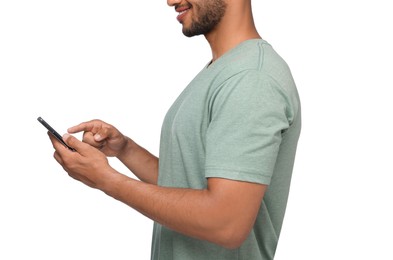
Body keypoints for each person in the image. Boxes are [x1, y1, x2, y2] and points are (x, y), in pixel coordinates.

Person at [48, 0, 301, 259]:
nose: (170, 1)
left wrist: (107, 180)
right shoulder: (224, 70)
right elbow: (187, 184)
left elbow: (226, 223)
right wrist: (125, 149)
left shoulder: (251, 78)